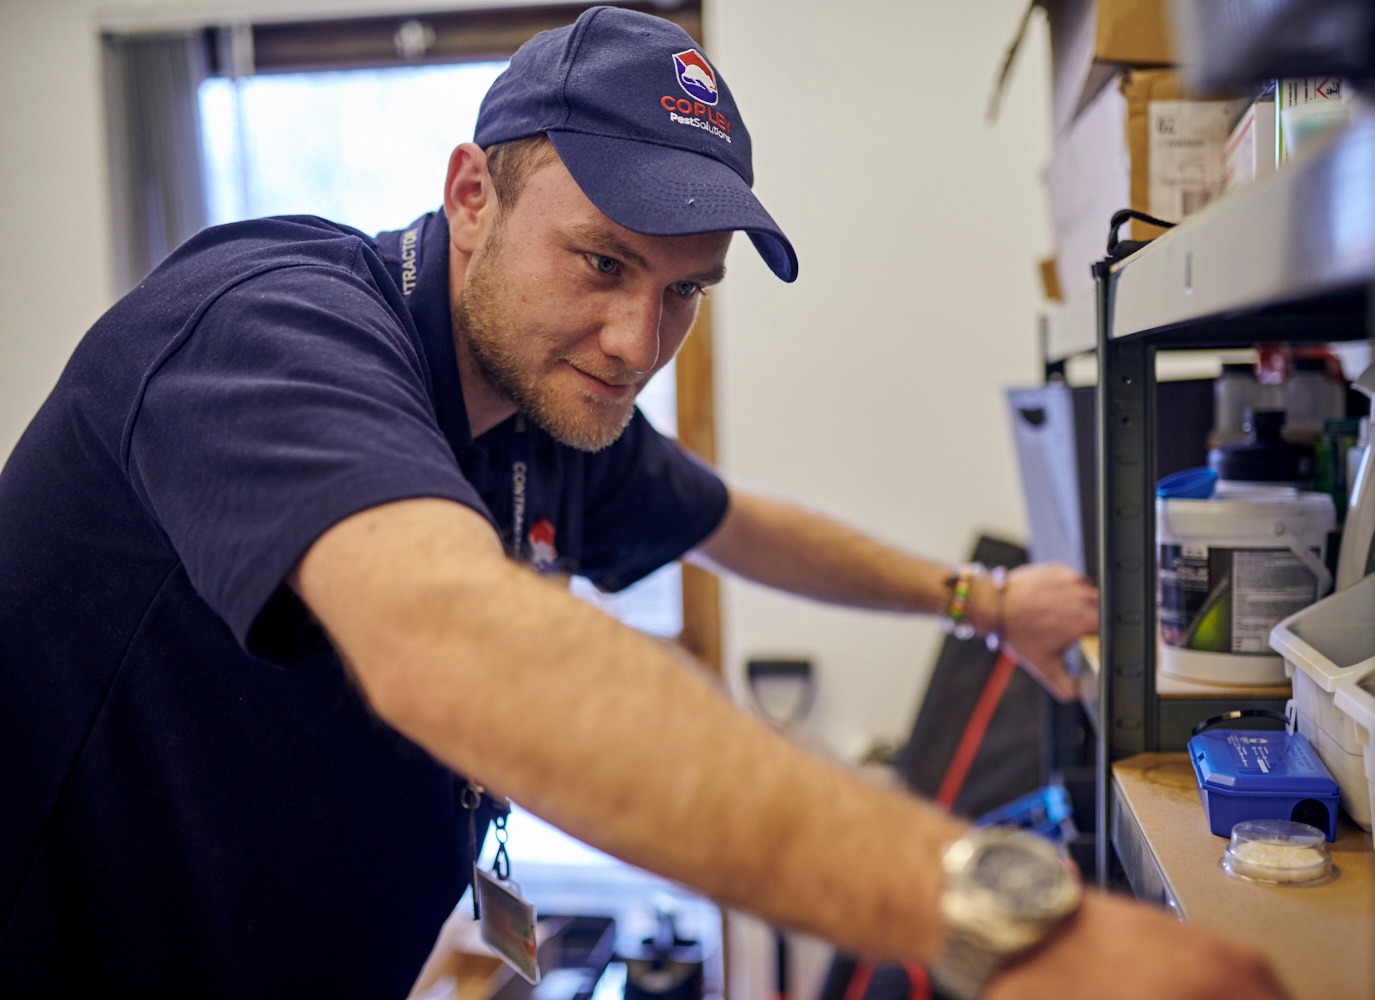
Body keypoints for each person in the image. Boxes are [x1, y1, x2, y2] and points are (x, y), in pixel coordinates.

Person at [0, 6, 1287, 999]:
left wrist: (984, 599)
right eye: (602, 262)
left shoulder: (549, 405)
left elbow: (735, 522)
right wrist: (1010, 925)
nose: (634, 339)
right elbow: (454, 646)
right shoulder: (270, 329)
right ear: (470, 194)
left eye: (686, 292)